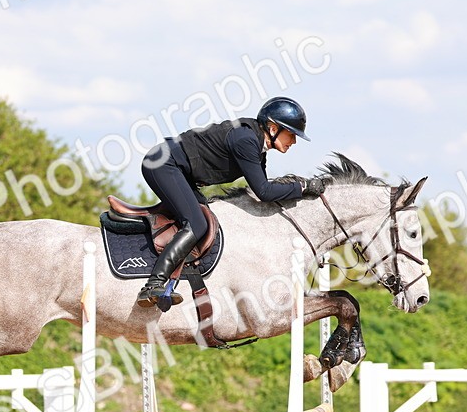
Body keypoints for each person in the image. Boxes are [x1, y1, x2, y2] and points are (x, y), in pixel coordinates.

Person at [135, 96, 329, 307]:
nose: (294, 141)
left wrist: (297, 187)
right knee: (197, 224)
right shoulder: (246, 141)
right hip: (163, 164)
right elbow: (264, 192)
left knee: (208, 221)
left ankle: (179, 281)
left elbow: (261, 189)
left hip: (179, 171)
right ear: (273, 129)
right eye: (291, 134)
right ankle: (154, 284)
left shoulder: (256, 145)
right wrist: (302, 188)